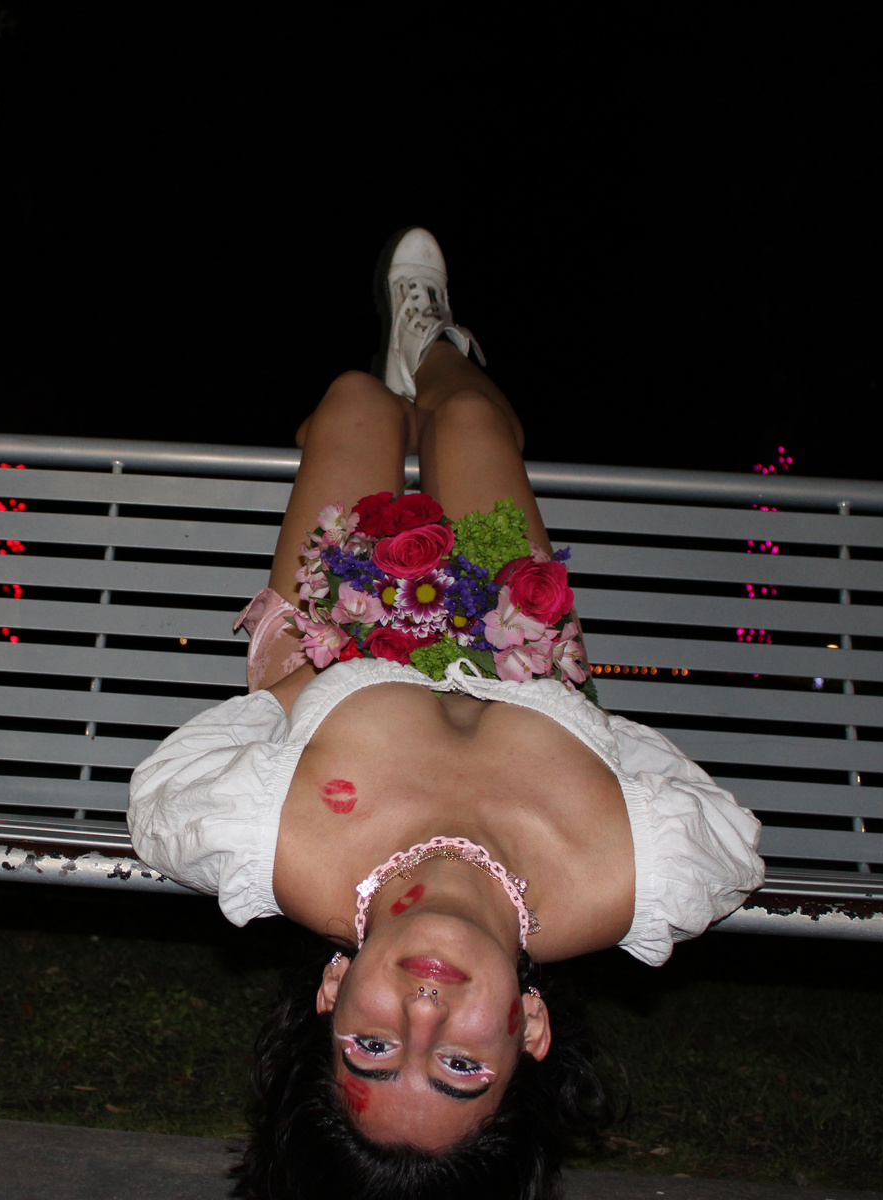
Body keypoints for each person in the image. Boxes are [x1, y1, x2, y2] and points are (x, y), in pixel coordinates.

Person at [128, 228, 765, 1199]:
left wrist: (296, 691)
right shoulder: (629, 877)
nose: (424, 1011)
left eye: (375, 1047)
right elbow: (700, 803)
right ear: (530, 1030)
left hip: (345, 641)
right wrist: (578, 721)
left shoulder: (279, 845)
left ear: (333, 991)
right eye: (461, 1064)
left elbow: (164, 789)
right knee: (467, 423)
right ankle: (435, 349)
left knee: (352, 403)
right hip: (518, 650)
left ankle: (389, 386)